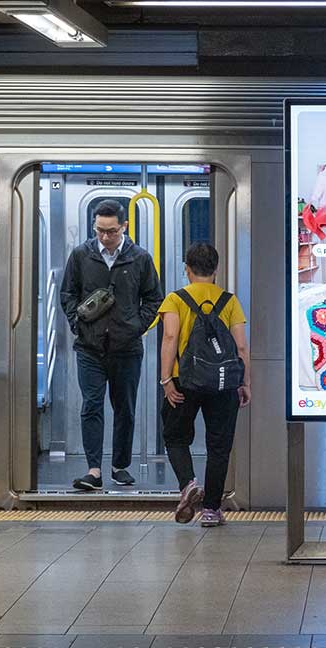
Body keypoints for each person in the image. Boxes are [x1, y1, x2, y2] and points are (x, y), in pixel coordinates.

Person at [59, 199, 163, 491]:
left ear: (124, 227)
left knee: (124, 407)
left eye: (111, 231)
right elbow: (68, 293)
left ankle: (120, 465)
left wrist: (136, 327)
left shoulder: (139, 258)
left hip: (126, 348)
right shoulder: (81, 255)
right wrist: (77, 323)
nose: (105, 236)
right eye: (100, 230)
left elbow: (154, 297)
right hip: (89, 348)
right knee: (91, 405)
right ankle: (94, 469)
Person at [158, 243, 251, 527]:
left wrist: (166, 380)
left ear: (187, 268)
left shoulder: (175, 299)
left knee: (175, 437)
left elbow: (170, 339)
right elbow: (242, 347)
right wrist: (244, 382)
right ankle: (211, 510)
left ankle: (188, 484)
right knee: (219, 447)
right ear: (216, 269)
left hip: (184, 383)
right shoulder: (229, 301)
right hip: (224, 384)